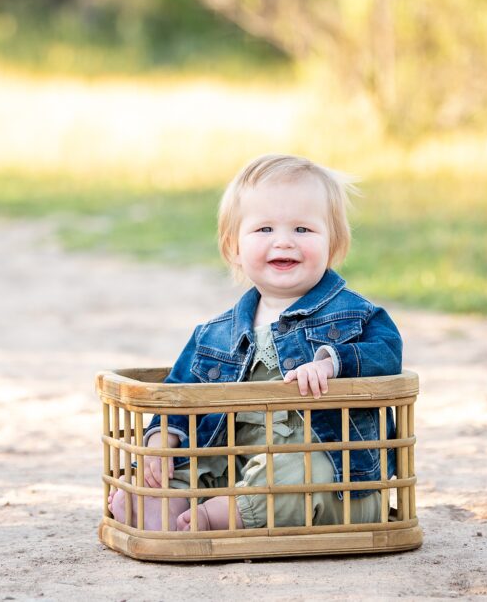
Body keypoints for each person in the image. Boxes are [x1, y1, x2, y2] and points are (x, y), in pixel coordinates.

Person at [108, 154, 402, 531]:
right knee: (179, 467)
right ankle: (160, 507)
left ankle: (215, 518)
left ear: (334, 244)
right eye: (264, 230)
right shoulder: (216, 333)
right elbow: (179, 392)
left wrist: (332, 362)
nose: (284, 242)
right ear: (234, 246)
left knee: (296, 470)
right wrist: (161, 437)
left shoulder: (355, 314)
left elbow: (389, 352)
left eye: (302, 230)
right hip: (238, 467)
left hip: (334, 480)